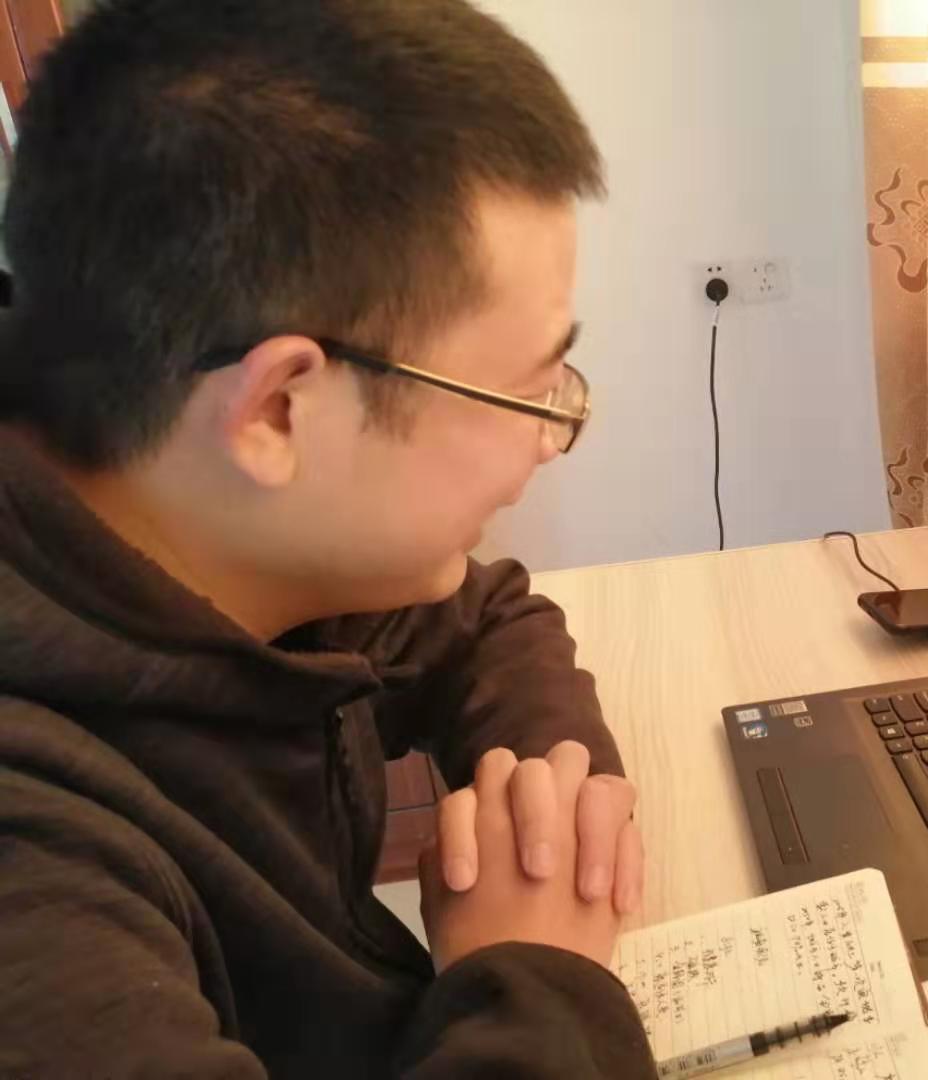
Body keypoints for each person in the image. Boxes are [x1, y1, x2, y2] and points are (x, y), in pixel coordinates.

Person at [0, 1, 655, 1076]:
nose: (551, 440)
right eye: (528, 392)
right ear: (278, 411)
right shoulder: (37, 897)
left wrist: (554, 826)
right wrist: (539, 980)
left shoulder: (185, 513)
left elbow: (487, 618)